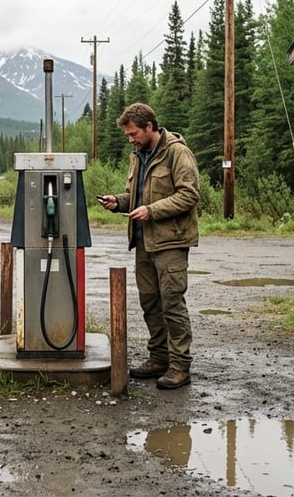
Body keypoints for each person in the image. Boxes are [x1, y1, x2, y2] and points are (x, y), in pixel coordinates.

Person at [98, 102, 200, 390]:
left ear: (150, 127)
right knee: (150, 303)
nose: (131, 139)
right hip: (143, 241)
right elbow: (135, 195)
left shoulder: (177, 152)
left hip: (171, 241)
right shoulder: (137, 156)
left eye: (134, 134)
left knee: (172, 303)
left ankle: (180, 366)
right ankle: (159, 358)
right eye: (128, 136)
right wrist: (118, 202)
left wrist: (152, 210)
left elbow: (189, 194)